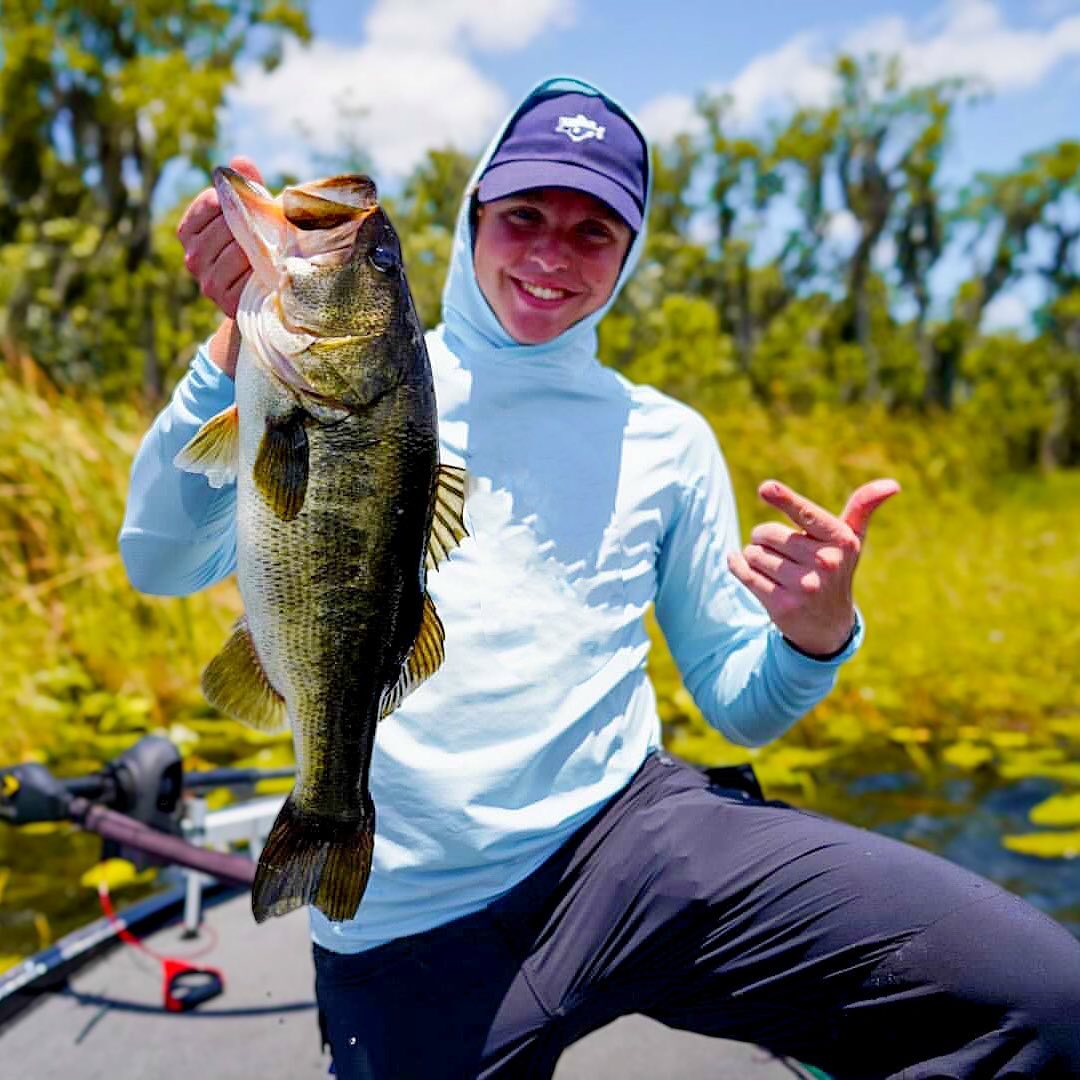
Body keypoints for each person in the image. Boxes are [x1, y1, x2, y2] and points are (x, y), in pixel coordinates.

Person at [122, 76, 1080, 1079]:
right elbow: (158, 558)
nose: (550, 254)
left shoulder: (667, 437)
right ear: (473, 218)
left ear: (628, 257)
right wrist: (235, 339)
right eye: (524, 215)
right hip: (411, 908)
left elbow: (741, 708)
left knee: (1048, 1004)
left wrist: (815, 632)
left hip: (634, 844)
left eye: (593, 231)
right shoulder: (356, 370)